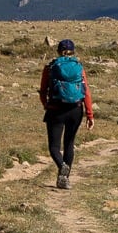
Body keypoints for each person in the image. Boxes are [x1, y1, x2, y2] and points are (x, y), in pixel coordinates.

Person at [38, 38, 94, 189]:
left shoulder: (50, 67)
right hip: (76, 110)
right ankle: (65, 180)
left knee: (54, 147)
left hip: (55, 110)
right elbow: (86, 91)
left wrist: (46, 105)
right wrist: (90, 114)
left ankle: (62, 165)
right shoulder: (79, 67)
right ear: (73, 52)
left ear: (58, 51)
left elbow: (43, 91)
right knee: (69, 144)